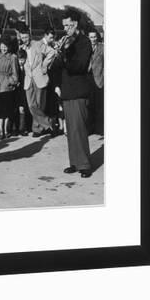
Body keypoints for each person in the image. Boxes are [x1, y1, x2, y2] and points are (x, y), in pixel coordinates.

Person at [58, 11, 94, 178]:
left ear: (75, 24)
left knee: (79, 128)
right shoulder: (68, 42)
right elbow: (60, 68)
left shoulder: (84, 42)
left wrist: (65, 54)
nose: (65, 29)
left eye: (68, 25)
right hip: (67, 90)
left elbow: (79, 67)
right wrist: (58, 54)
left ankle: (85, 164)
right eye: (64, 26)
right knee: (71, 130)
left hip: (79, 91)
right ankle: (74, 162)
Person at [20, 29, 57, 137]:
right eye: (22, 38)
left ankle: (37, 129)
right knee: (31, 105)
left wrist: (44, 65)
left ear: (30, 36)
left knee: (40, 104)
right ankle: (49, 123)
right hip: (28, 80)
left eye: (26, 37)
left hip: (39, 77)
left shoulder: (38, 44)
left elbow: (52, 52)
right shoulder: (21, 48)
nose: (24, 40)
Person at [0, 37, 19, 139]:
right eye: (2, 46)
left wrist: (9, 82)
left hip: (6, 87)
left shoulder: (12, 57)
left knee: (6, 110)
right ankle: (1, 131)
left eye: (6, 46)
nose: (4, 48)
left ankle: (6, 130)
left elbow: (15, 74)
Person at [88, 29, 104, 136]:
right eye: (91, 37)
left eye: (94, 37)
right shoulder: (85, 48)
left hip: (99, 79)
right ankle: (90, 128)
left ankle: (100, 129)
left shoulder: (102, 48)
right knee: (89, 105)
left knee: (99, 105)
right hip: (88, 80)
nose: (93, 39)